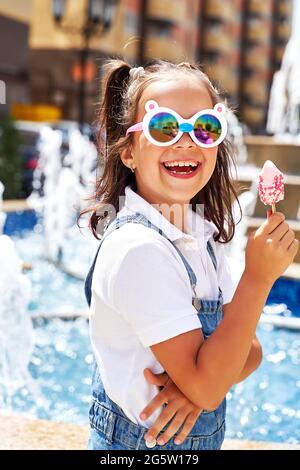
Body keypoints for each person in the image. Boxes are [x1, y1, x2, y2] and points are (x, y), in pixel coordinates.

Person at [82, 59, 299, 450]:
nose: (185, 141)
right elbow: (215, 379)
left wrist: (195, 390)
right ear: (128, 151)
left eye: (204, 128)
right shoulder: (138, 251)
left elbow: (250, 354)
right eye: (164, 127)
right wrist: (258, 277)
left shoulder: (201, 236)